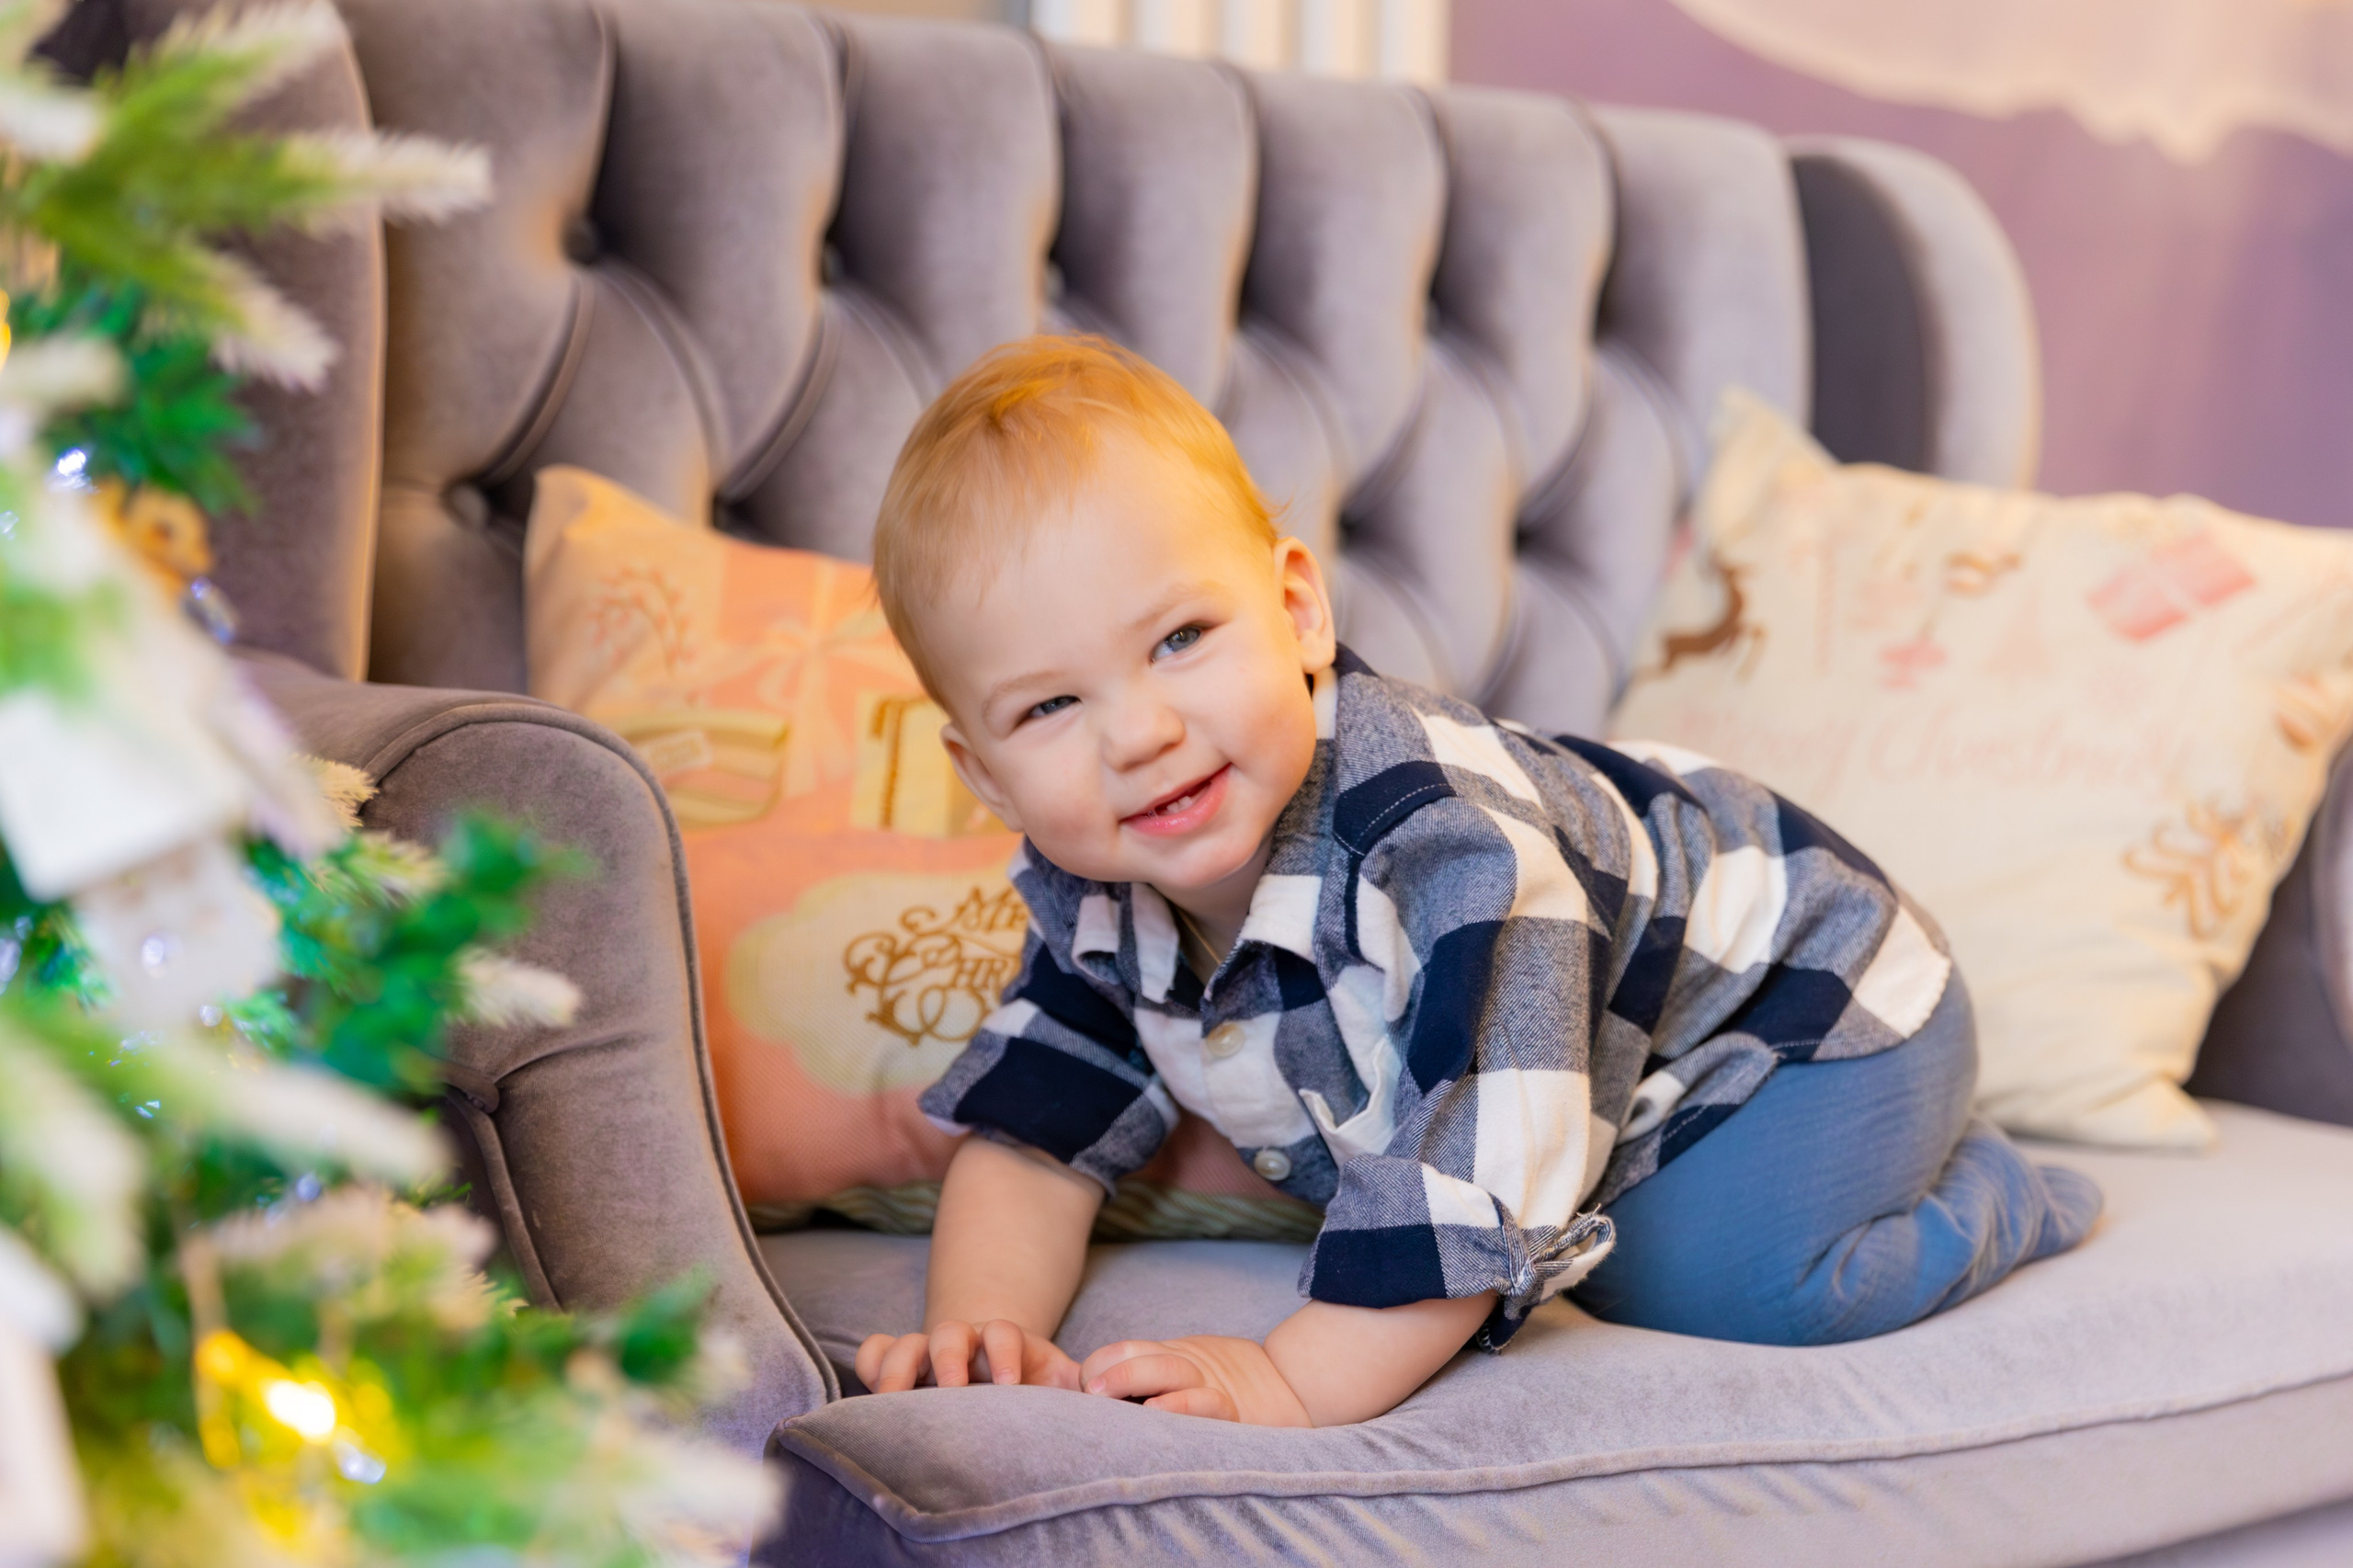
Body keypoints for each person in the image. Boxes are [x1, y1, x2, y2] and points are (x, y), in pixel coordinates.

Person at [853, 335, 2099, 1428]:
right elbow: (1035, 1136)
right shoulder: (1099, 893)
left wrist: (1290, 1380)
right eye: (1054, 704)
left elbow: (1484, 1169)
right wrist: (982, 1327)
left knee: (1685, 1273)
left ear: (1295, 612)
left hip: (1818, 998)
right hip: (1633, 1061)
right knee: (1566, 1227)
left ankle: (2000, 1189)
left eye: (1181, 638)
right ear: (989, 773)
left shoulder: (1446, 847)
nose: (1138, 732)